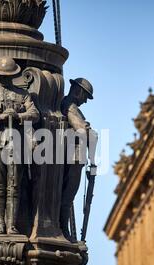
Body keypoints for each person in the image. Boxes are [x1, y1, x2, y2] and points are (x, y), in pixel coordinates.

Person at [0, 57, 40, 235]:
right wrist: (0, 117)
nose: (4, 78)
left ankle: (11, 225)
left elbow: (35, 114)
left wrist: (18, 116)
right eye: (1, 75)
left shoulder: (22, 94)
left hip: (17, 143)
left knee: (14, 185)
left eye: (8, 75)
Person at [60, 78, 97, 241]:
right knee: (68, 196)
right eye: (85, 97)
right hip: (73, 157)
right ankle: (63, 229)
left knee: (69, 196)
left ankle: (63, 228)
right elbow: (81, 129)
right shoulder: (69, 105)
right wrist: (89, 130)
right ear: (78, 91)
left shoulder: (73, 107)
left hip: (76, 156)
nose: (85, 101)